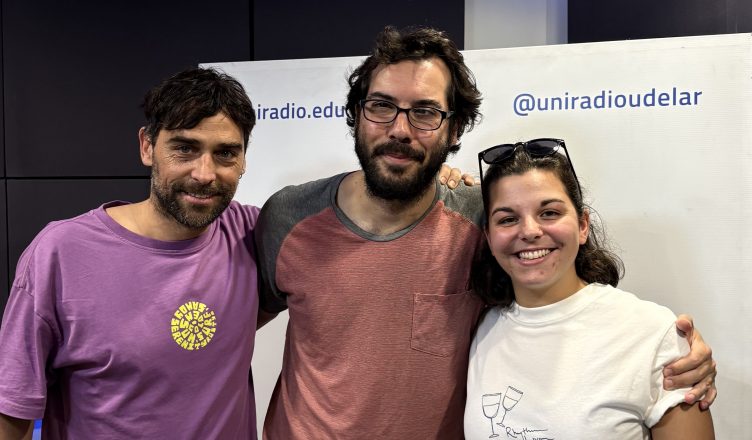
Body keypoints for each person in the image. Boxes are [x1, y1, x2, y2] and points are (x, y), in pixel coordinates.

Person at [254, 26, 716, 438]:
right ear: (357, 114)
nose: (400, 129)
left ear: (454, 129)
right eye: (381, 106)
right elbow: (233, 322)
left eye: (425, 112)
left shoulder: (481, 218)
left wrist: (668, 349)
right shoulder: (288, 216)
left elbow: (566, 296)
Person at [0, 68, 261, 439]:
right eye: (185, 148)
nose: (204, 173)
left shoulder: (253, 236)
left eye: (225, 154)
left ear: (244, 160)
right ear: (147, 146)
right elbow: (12, 410)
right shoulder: (60, 253)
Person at [465, 139, 715, 439]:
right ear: (489, 238)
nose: (530, 231)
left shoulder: (653, 333)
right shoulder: (480, 328)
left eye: (549, 213)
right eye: (508, 219)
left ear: (583, 225)